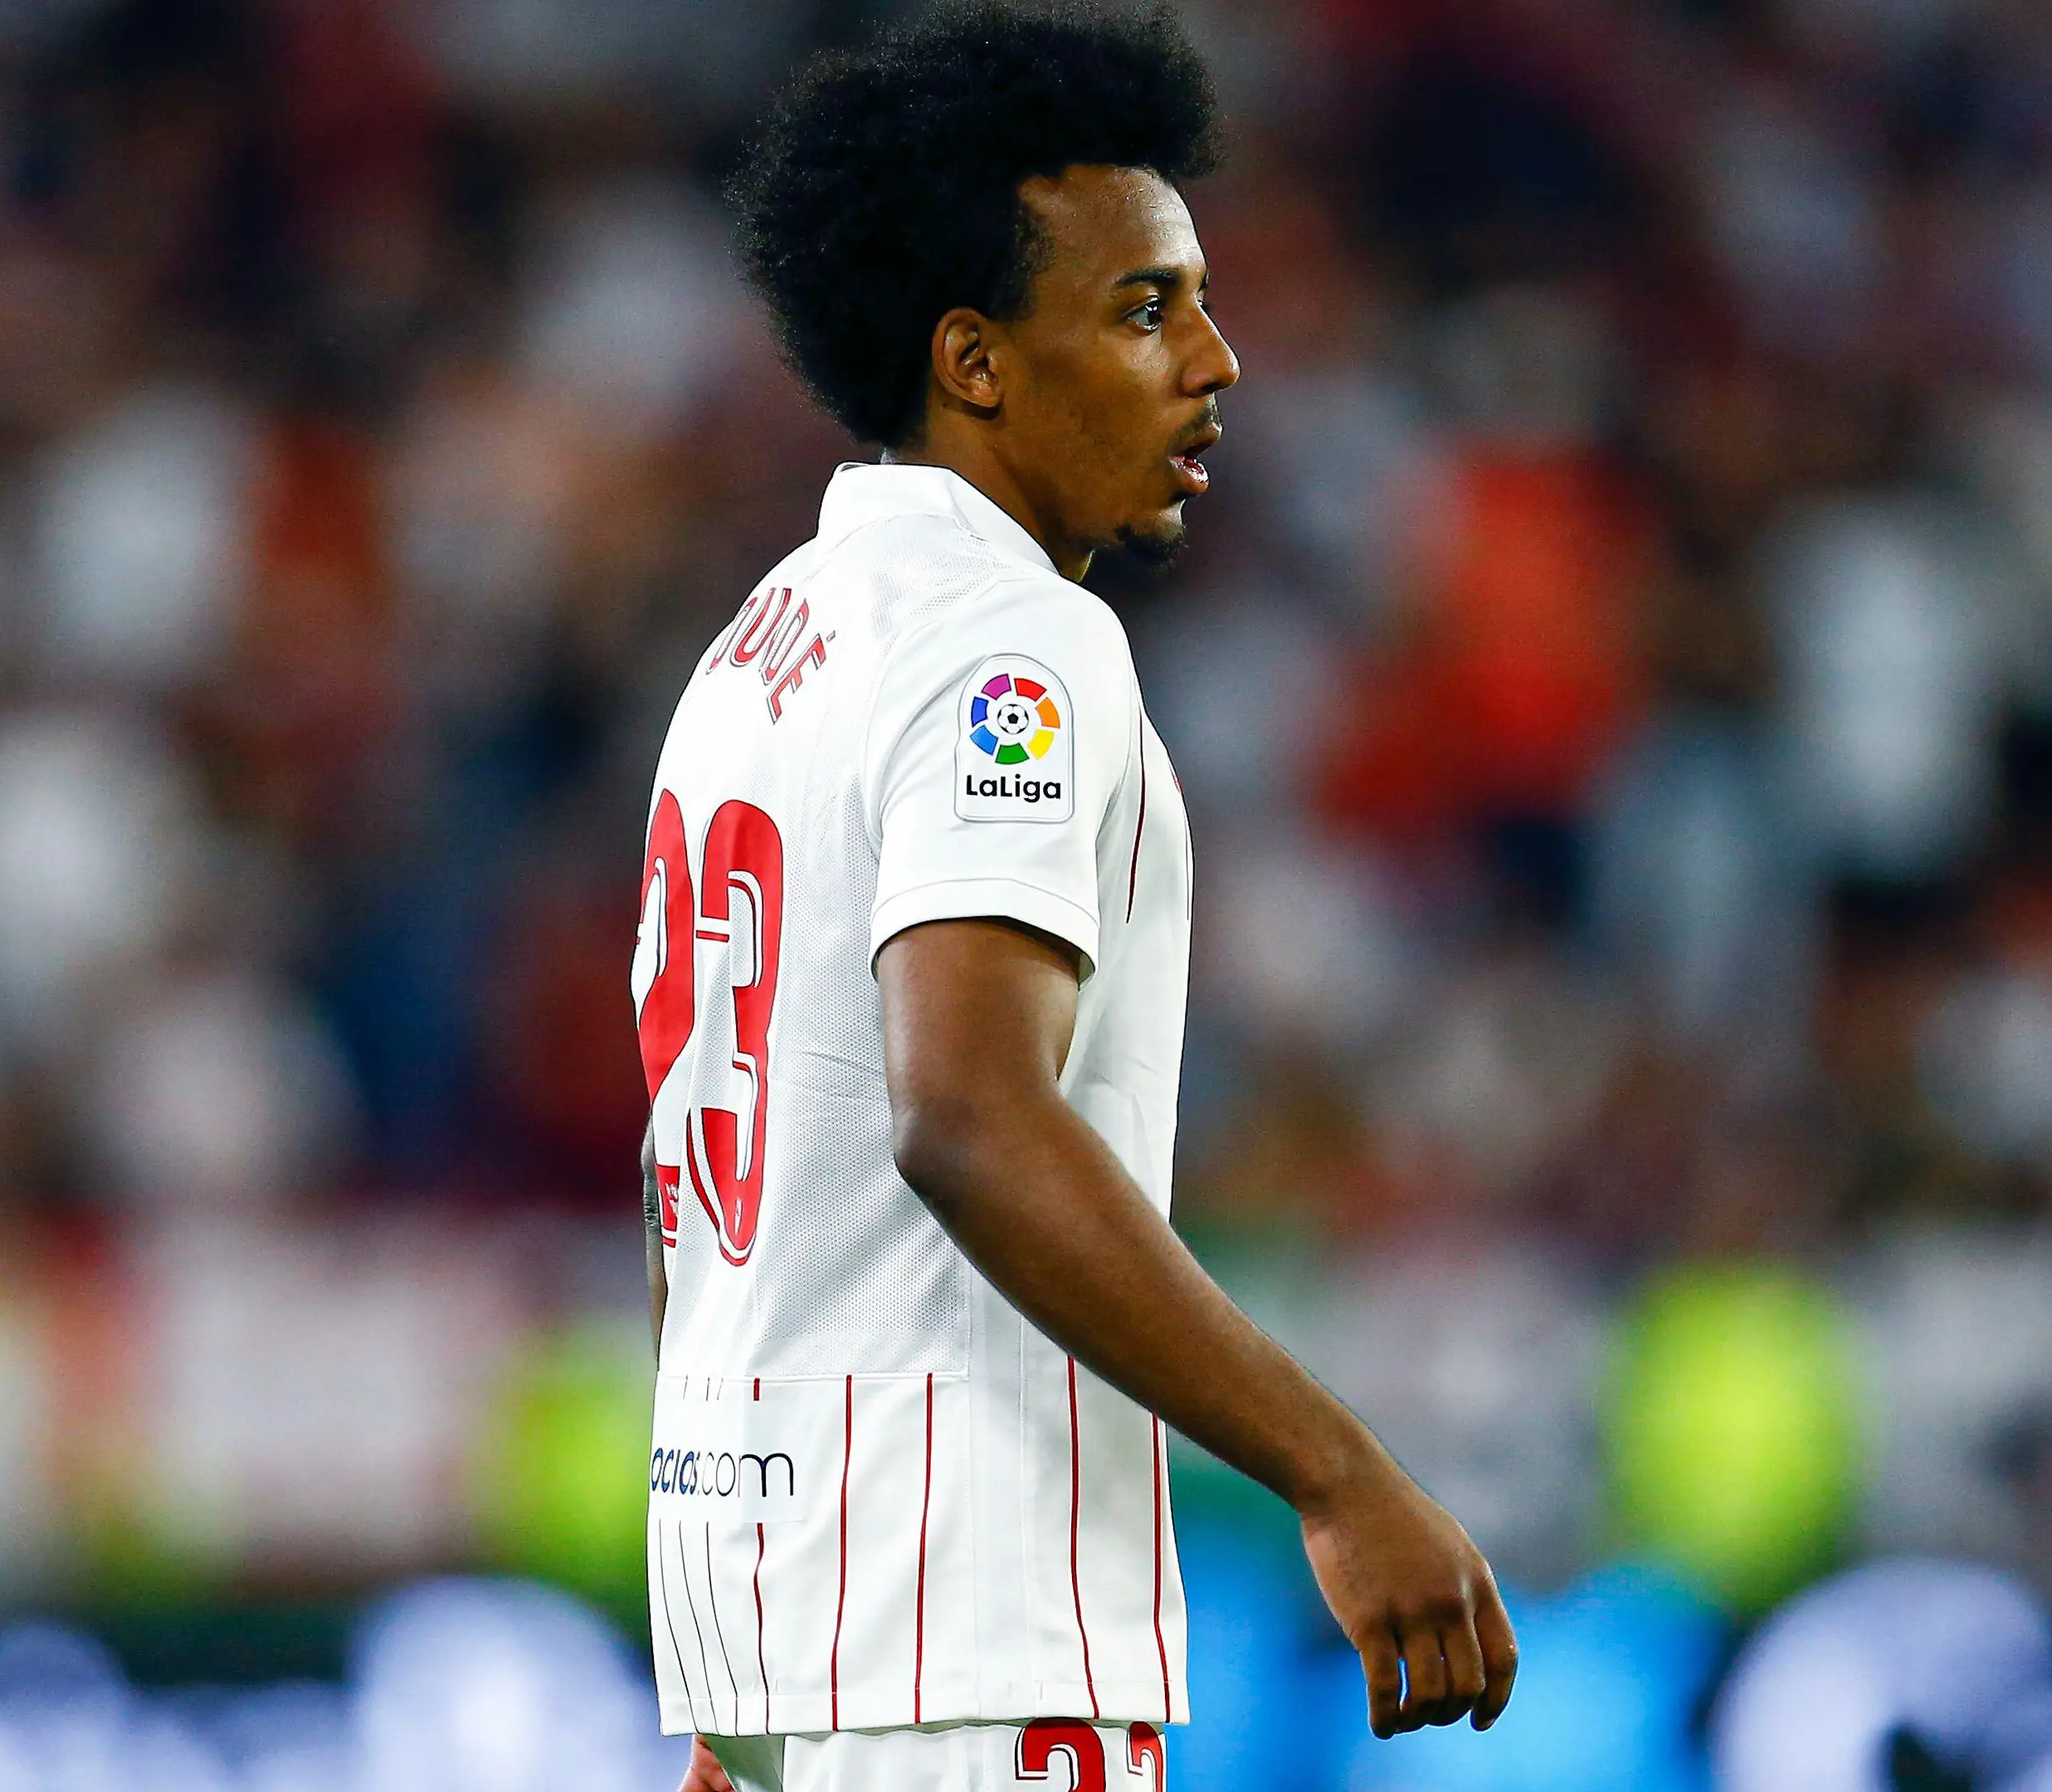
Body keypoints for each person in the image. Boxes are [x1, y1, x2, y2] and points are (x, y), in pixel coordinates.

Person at [633, 6, 1517, 1788]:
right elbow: (962, 1112)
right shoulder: (1013, 643)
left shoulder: (755, 654)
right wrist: (1338, 1475)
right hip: (964, 1638)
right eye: (1142, 308)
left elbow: (735, 1176)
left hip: (779, 1635)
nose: (1216, 359)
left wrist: (751, 1704)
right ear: (975, 361)